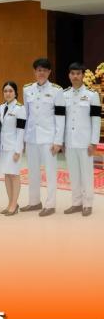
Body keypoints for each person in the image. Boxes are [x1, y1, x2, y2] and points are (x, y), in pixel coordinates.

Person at [21, 58, 64, 216]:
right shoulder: (27, 89)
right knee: (32, 172)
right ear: (35, 72)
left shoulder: (57, 91)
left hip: (48, 138)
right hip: (31, 137)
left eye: (45, 70)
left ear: (49, 72)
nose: (42, 73)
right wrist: (24, 138)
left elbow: (60, 117)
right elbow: (26, 115)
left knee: (50, 172)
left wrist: (58, 140)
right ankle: (34, 202)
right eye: (39, 70)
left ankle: (50, 205)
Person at [62, 62, 101, 217]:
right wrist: (62, 140)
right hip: (70, 141)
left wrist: (94, 142)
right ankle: (76, 203)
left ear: (83, 75)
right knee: (73, 174)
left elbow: (96, 120)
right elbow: (62, 120)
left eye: (78, 73)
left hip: (85, 142)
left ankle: (88, 204)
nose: (75, 76)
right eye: (73, 73)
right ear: (69, 75)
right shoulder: (64, 95)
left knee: (86, 174)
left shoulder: (92, 95)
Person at [0, 81, 27, 216]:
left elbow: (21, 131)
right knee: (7, 175)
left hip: (14, 147)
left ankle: (14, 204)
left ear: (15, 93)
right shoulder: (1, 107)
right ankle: (10, 203)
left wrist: (18, 150)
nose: (7, 94)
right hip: (3, 147)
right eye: (5, 91)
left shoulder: (20, 108)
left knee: (14, 175)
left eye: (10, 91)